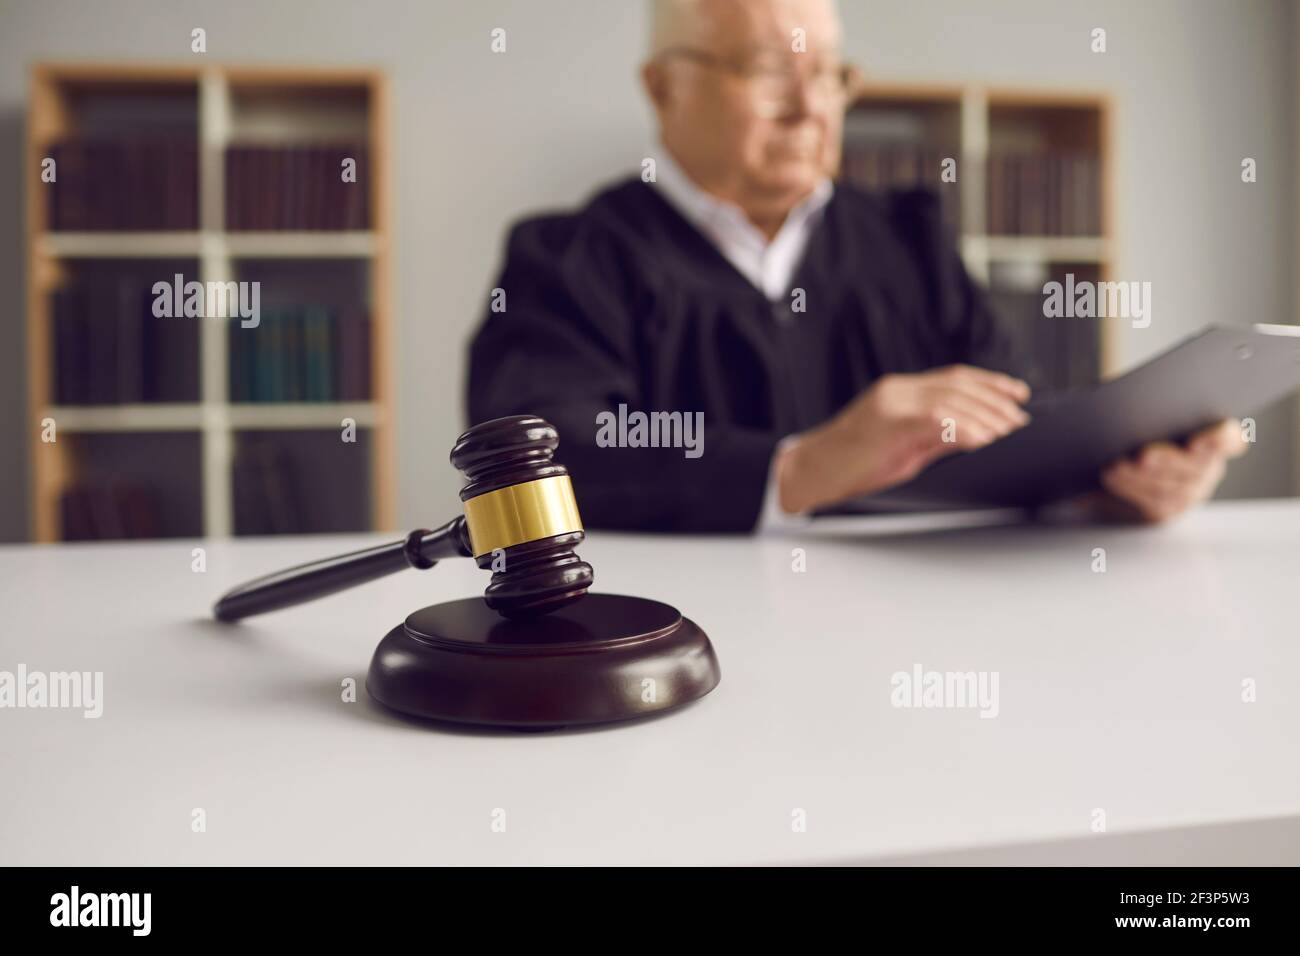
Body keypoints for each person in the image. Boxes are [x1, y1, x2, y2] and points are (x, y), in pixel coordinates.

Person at [467, 0, 1246, 532]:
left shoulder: (910, 240)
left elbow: (1015, 424)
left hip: (903, 650)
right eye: (770, 69)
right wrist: (800, 468)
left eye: (831, 74)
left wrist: (1113, 489)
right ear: (663, 86)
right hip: (681, 657)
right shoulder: (568, 259)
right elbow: (539, 461)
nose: (811, 105)